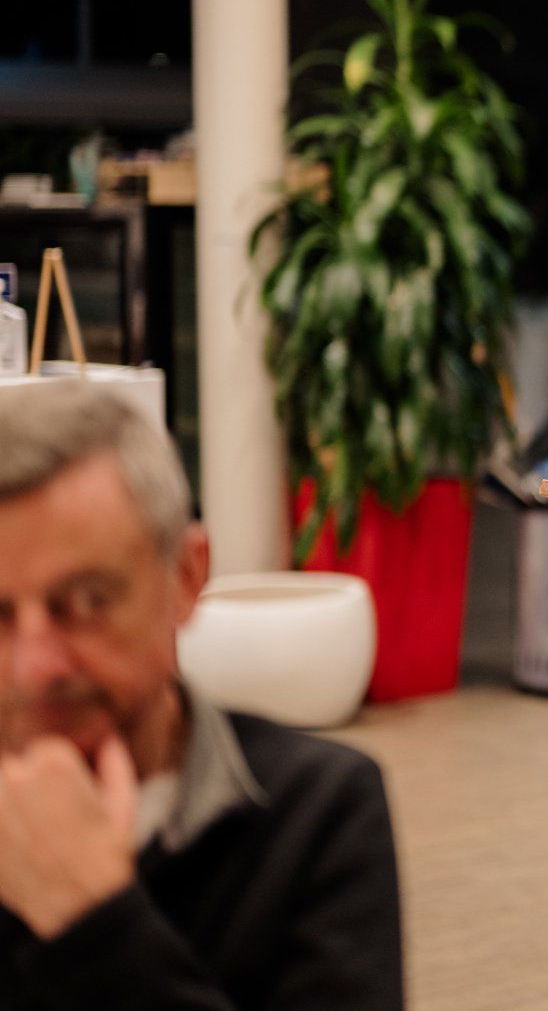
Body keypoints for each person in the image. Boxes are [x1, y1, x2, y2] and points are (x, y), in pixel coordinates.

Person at [0, 381, 404, 1010]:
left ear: (186, 578)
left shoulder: (315, 812)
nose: (32, 668)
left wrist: (92, 922)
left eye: (86, 601)